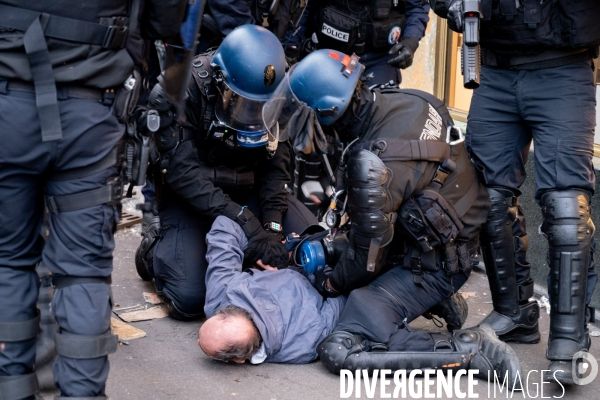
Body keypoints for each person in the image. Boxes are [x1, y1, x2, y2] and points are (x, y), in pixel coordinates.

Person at [260, 49, 519, 377]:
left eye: (305, 115)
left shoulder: (374, 162)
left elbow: (368, 256)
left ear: (328, 110)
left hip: (437, 263)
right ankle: (434, 302)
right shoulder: (407, 99)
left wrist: (332, 284)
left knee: (343, 342)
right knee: (340, 251)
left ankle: (472, 350)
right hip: (446, 238)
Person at [0, 0, 186, 399]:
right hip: (90, 112)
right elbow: (166, 17)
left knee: (8, 262)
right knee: (82, 273)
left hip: (8, 104)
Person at [430, 0, 600, 385]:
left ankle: (569, 339)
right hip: (495, 73)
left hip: (563, 69)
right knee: (485, 199)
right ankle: (517, 312)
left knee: (567, 211)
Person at [135, 25, 317, 321]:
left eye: (261, 106)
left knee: (308, 254)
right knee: (189, 299)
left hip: (249, 188)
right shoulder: (176, 90)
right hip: (192, 197)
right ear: (219, 81)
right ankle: (153, 249)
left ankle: (239, 254)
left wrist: (271, 228)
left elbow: (276, 167)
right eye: (243, 102)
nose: (252, 115)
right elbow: (183, 174)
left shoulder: (281, 96)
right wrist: (245, 222)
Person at [198, 216, 347, 364]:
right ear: (239, 359)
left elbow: (225, 224)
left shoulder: (303, 348)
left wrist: (262, 250)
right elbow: (343, 300)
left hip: (293, 255)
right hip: (324, 273)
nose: (198, 342)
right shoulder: (305, 344)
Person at [310, 0, 430, 86]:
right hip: (332, 54)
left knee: (381, 112)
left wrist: (411, 41)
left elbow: (416, 8)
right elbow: (304, 7)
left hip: (380, 58)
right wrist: (293, 45)